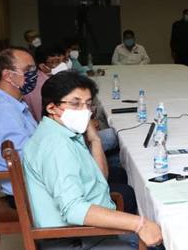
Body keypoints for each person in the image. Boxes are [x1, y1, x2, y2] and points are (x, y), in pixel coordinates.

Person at [23, 71, 163, 249]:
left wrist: (95, 139)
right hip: (76, 240)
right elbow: (73, 209)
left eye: (88, 104)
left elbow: (99, 179)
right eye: (75, 104)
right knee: (162, 241)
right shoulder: (56, 145)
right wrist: (139, 224)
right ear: (51, 108)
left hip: (89, 232)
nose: (84, 111)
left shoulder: (62, 132)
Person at [0, 48, 38, 198]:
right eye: (28, 70)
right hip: (27, 192)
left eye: (34, 69)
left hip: (34, 183)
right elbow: (27, 160)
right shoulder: (1, 111)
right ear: (7, 75)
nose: (34, 74)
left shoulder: (11, 103)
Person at [24, 44, 69, 122]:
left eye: (63, 60)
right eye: (56, 62)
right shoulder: (39, 85)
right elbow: (41, 117)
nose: (62, 65)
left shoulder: (51, 79)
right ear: (42, 66)